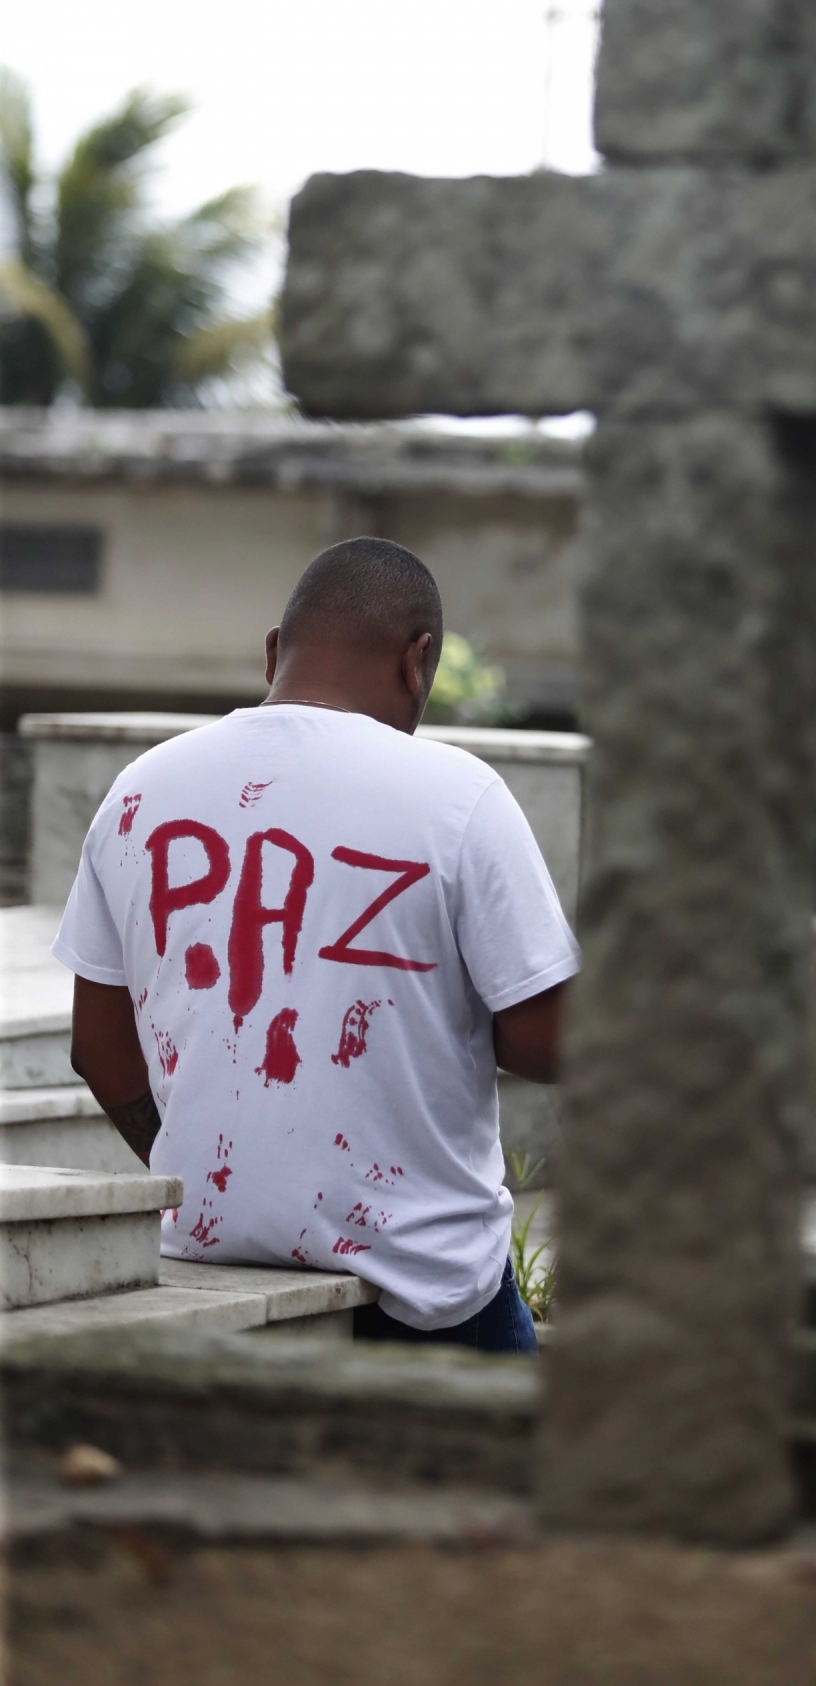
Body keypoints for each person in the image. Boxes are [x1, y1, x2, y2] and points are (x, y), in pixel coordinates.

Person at [55, 537, 578, 1353]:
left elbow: (97, 1047)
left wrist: (206, 1174)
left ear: (272, 653)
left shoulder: (139, 792)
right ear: (420, 661)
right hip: (427, 1288)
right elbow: (549, 1041)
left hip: (204, 1256)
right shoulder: (459, 797)